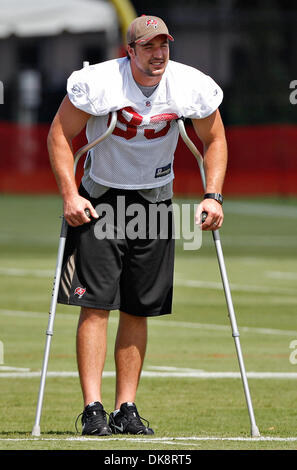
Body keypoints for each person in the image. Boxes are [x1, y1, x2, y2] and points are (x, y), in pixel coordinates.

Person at [47, 15, 227, 436]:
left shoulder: (189, 84)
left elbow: (214, 139)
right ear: (130, 51)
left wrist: (212, 194)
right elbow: (60, 134)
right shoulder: (101, 82)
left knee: (138, 307)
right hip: (100, 199)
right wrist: (71, 195)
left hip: (155, 199)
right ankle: (92, 408)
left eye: (164, 45)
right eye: (148, 46)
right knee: (94, 304)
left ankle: (125, 407)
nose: (158, 53)